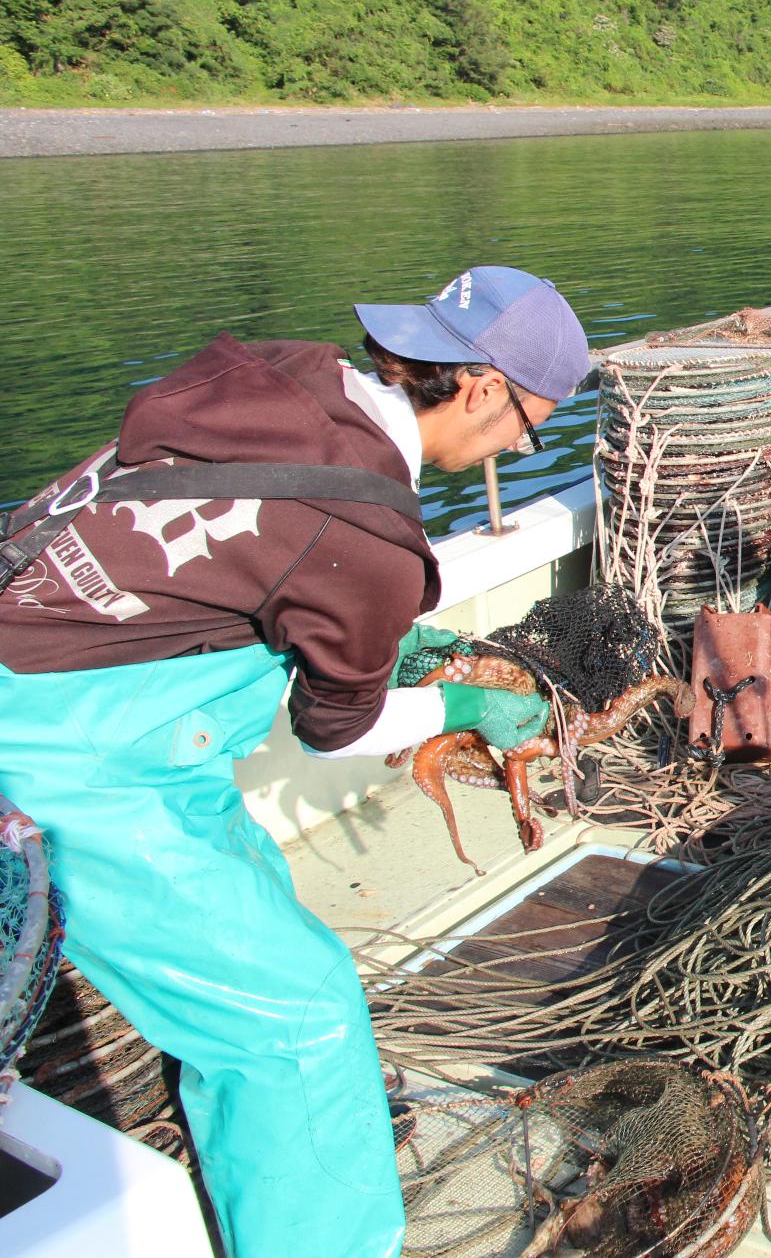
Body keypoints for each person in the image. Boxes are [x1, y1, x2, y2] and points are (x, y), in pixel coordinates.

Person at [0, 266, 592, 1256]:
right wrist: (464, 702)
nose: (516, 443)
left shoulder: (287, 376)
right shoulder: (370, 533)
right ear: (485, 389)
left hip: (82, 671)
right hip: (68, 759)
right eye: (530, 424)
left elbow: (224, 559)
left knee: (265, 898)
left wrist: (364, 633)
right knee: (298, 1020)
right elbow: (333, 731)